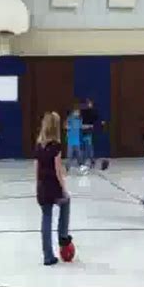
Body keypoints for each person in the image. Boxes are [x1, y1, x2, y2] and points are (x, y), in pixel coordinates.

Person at [35, 112, 73, 266]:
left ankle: (48, 256)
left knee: (46, 218)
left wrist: (37, 184)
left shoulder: (39, 146)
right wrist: (64, 188)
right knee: (66, 201)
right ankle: (63, 237)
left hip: (43, 186)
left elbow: (36, 168)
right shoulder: (56, 146)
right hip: (53, 186)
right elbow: (58, 171)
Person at [65, 103, 86, 173]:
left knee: (79, 155)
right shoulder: (70, 118)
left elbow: (81, 127)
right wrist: (68, 127)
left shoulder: (80, 120)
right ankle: (67, 168)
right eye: (77, 112)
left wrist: (89, 126)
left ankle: (81, 166)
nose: (78, 113)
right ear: (74, 112)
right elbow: (66, 126)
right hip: (70, 141)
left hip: (77, 141)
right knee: (69, 156)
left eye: (78, 112)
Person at [81, 98, 99, 168]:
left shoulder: (92, 112)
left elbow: (95, 118)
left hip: (88, 130)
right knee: (86, 147)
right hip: (84, 130)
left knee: (89, 146)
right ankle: (85, 161)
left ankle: (90, 161)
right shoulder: (84, 112)